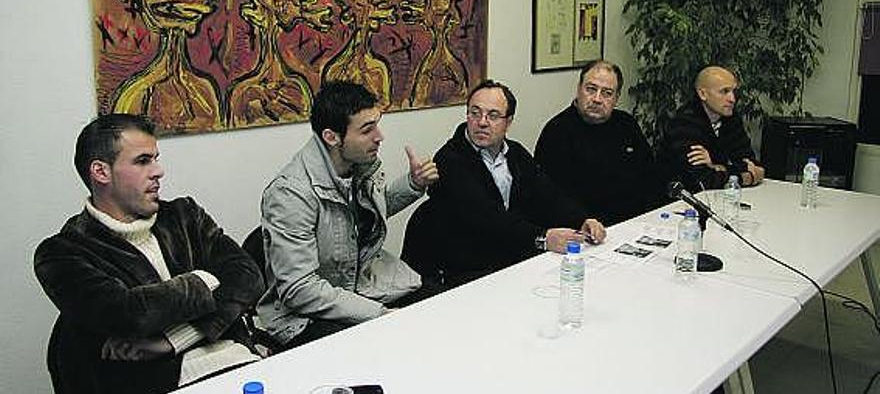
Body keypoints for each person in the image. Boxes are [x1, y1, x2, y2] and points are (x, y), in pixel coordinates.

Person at [33, 114, 263, 394]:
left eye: (156, 158)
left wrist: (173, 339)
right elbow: (128, 313)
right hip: (162, 383)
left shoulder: (184, 215)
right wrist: (205, 279)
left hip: (240, 363)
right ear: (101, 172)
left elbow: (248, 277)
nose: (159, 171)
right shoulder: (61, 253)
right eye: (143, 161)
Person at [258, 81, 438, 348]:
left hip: (359, 286)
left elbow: (362, 219)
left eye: (376, 123)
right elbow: (299, 290)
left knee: (439, 310)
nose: (379, 136)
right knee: (390, 347)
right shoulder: (290, 195)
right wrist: (377, 314)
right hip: (303, 315)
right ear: (332, 137)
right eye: (367, 130)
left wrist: (413, 184)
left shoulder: (358, 164)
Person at [402, 80, 606, 289]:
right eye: (475, 113)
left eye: (493, 116)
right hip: (467, 269)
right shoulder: (449, 159)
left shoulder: (515, 153)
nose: (482, 122)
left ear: (508, 122)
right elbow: (487, 217)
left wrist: (581, 219)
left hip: (509, 259)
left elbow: (548, 194)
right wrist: (543, 238)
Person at [535, 60, 661, 226]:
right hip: (584, 229)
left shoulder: (627, 124)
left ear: (616, 98)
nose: (597, 99)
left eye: (607, 93)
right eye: (591, 89)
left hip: (634, 224)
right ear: (579, 89)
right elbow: (551, 198)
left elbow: (649, 177)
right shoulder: (557, 132)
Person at [658, 65, 765, 192]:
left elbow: (755, 165)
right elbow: (703, 181)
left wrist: (716, 166)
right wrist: (746, 176)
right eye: (724, 91)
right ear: (703, 94)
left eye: (733, 91)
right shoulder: (684, 124)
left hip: (721, 197)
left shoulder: (731, 119)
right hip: (677, 203)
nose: (732, 99)